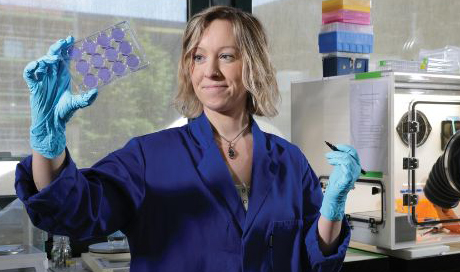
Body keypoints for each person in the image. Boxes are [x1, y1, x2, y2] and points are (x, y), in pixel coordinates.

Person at [16, 6, 361, 272]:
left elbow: (316, 258)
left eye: (226, 56)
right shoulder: (149, 156)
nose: (209, 70)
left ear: (253, 65)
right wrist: (48, 143)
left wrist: (332, 209)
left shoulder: (289, 161)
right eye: (198, 56)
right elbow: (71, 212)